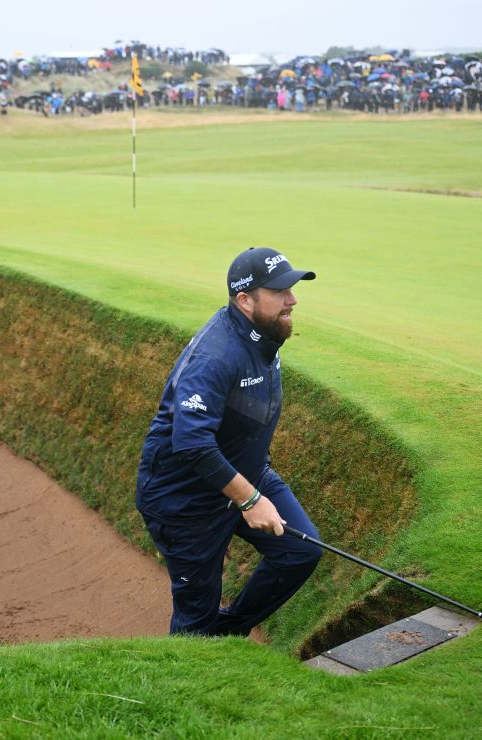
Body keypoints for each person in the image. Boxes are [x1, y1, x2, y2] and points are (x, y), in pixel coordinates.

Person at [136, 247, 322, 637]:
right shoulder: (215, 356)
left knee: (300, 552)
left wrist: (253, 485)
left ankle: (228, 632)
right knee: (194, 622)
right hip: (185, 500)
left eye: (292, 288)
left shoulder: (264, 336)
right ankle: (196, 656)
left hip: (242, 474)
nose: (292, 299)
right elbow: (192, 443)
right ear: (244, 300)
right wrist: (250, 500)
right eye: (280, 291)